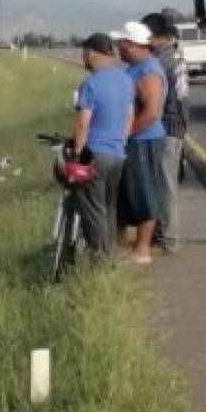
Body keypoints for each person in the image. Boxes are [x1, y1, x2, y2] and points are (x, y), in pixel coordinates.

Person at [72, 32, 134, 257]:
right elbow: (129, 117)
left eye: (84, 54)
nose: (83, 59)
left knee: (93, 208)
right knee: (109, 207)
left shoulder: (90, 84)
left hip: (95, 153)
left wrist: (78, 153)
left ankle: (99, 257)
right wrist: (121, 143)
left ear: (91, 53)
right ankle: (109, 252)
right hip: (118, 153)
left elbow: (83, 123)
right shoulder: (126, 81)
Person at [113, 21, 166, 264]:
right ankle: (123, 245)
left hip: (143, 141)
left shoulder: (148, 71)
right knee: (126, 193)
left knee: (144, 193)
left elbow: (151, 112)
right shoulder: (134, 68)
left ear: (132, 45)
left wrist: (125, 135)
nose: (117, 49)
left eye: (120, 44)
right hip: (134, 140)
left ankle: (142, 250)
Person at [140, 13, 189, 253]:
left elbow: (178, 99)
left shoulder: (165, 61)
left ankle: (169, 239)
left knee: (166, 185)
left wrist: (178, 131)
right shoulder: (170, 58)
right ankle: (162, 235)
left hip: (169, 126)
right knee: (162, 182)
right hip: (174, 126)